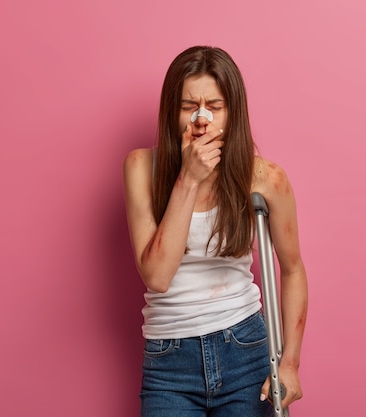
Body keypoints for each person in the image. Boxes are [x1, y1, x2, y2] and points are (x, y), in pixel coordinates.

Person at [123, 46, 308, 417]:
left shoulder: (265, 177)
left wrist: (290, 362)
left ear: (232, 111)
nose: (202, 119)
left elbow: (291, 269)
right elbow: (157, 277)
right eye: (189, 105)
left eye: (215, 106)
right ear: (171, 111)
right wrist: (188, 179)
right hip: (169, 362)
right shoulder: (141, 167)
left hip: (244, 350)